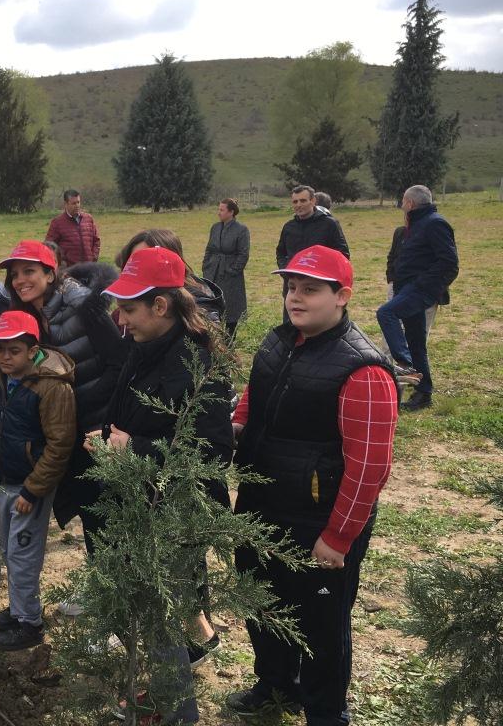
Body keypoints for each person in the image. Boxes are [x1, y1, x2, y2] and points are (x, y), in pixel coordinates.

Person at [228, 245, 398, 725]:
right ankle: (276, 683)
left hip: (318, 520)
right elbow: (252, 399)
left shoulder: (363, 371)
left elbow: (369, 467)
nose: (295, 298)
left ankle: (325, 710)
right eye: (290, 287)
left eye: (310, 289)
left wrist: (338, 536)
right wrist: (235, 427)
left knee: (321, 623)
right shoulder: (278, 341)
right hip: (262, 502)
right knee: (263, 600)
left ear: (342, 295)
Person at [87, 245, 238, 724]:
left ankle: (177, 714)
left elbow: (212, 452)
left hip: (172, 510)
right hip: (139, 500)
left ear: (161, 305)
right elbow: (126, 407)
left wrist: (134, 448)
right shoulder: (143, 347)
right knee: (147, 613)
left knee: (162, 619)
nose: (120, 316)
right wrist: (109, 436)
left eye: (129, 307)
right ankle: (157, 695)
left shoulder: (197, 364)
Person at [0, 240, 123, 604]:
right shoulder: (28, 319)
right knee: (89, 513)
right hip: (65, 433)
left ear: (51, 273)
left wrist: (74, 404)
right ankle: (103, 591)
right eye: (15, 274)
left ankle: (114, 606)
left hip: (96, 429)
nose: (21, 280)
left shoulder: (85, 308)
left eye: (30, 271)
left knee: (104, 517)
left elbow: (119, 365)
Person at [0, 311, 76, 651]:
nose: (5, 357)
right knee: (8, 549)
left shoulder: (52, 387)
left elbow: (60, 442)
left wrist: (34, 489)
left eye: (14, 350)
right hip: (2, 477)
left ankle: (30, 623)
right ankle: (20, 609)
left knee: (23, 553)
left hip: (27, 485)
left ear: (32, 348)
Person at [376, 185, 458, 411]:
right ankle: (424, 394)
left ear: (410, 203)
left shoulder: (434, 223)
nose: (402, 205)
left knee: (386, 312)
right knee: (417, 343)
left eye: (403, 201)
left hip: (419, 290)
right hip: (407, 289)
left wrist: (423, 285)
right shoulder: (415, 224)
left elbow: (449, 263)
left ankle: (406, 364)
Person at [115, 229, 225, 326]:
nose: (140, 266)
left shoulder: (199, 305)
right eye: (135, 261)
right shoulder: (129, 306)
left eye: (149, 259)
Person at [203, 198, 250, 339]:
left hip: (230, 276)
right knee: (211, 306)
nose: (219, 213)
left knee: (230, 311)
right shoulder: (215, 227)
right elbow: (209, 249)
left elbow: (243, 254)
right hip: (213, 273)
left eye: (222, 210)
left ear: (231, 212)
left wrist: (233, 270)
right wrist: (206, 265)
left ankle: (229, 345)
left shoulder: (241, 230)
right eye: (219, 209)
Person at [276, 185, 350, 270]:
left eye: (303, 201)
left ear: (313, 201)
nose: (299, 205)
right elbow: (281, 253)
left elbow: (342, 254)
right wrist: (286, 271)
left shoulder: (329, 224)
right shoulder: (288, 227)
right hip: (293, 280)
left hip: (320, 279)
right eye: (295, 202)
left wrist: (324, 274)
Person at [45, 189, 101, 268]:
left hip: (89, 268)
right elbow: (49, 246)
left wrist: (93, 258)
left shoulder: (88, 219)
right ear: (66, 204)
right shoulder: (57, 223)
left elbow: (96, 240)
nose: (77, 205)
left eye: (78, 202)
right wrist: (62, 263)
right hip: (69, 270)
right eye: (74, 203)